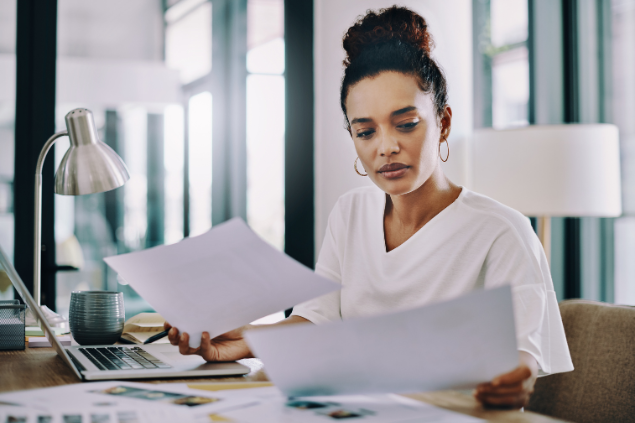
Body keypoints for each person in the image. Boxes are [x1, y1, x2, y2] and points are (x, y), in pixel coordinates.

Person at [165, 5, 573, 408]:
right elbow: (316, 322)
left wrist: (515, 379)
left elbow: (522, 357)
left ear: (443, 123)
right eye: (365, 131)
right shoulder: (350, 213)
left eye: (406, 123)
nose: (386, 147)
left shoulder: (502, 231)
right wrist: (245, 340)